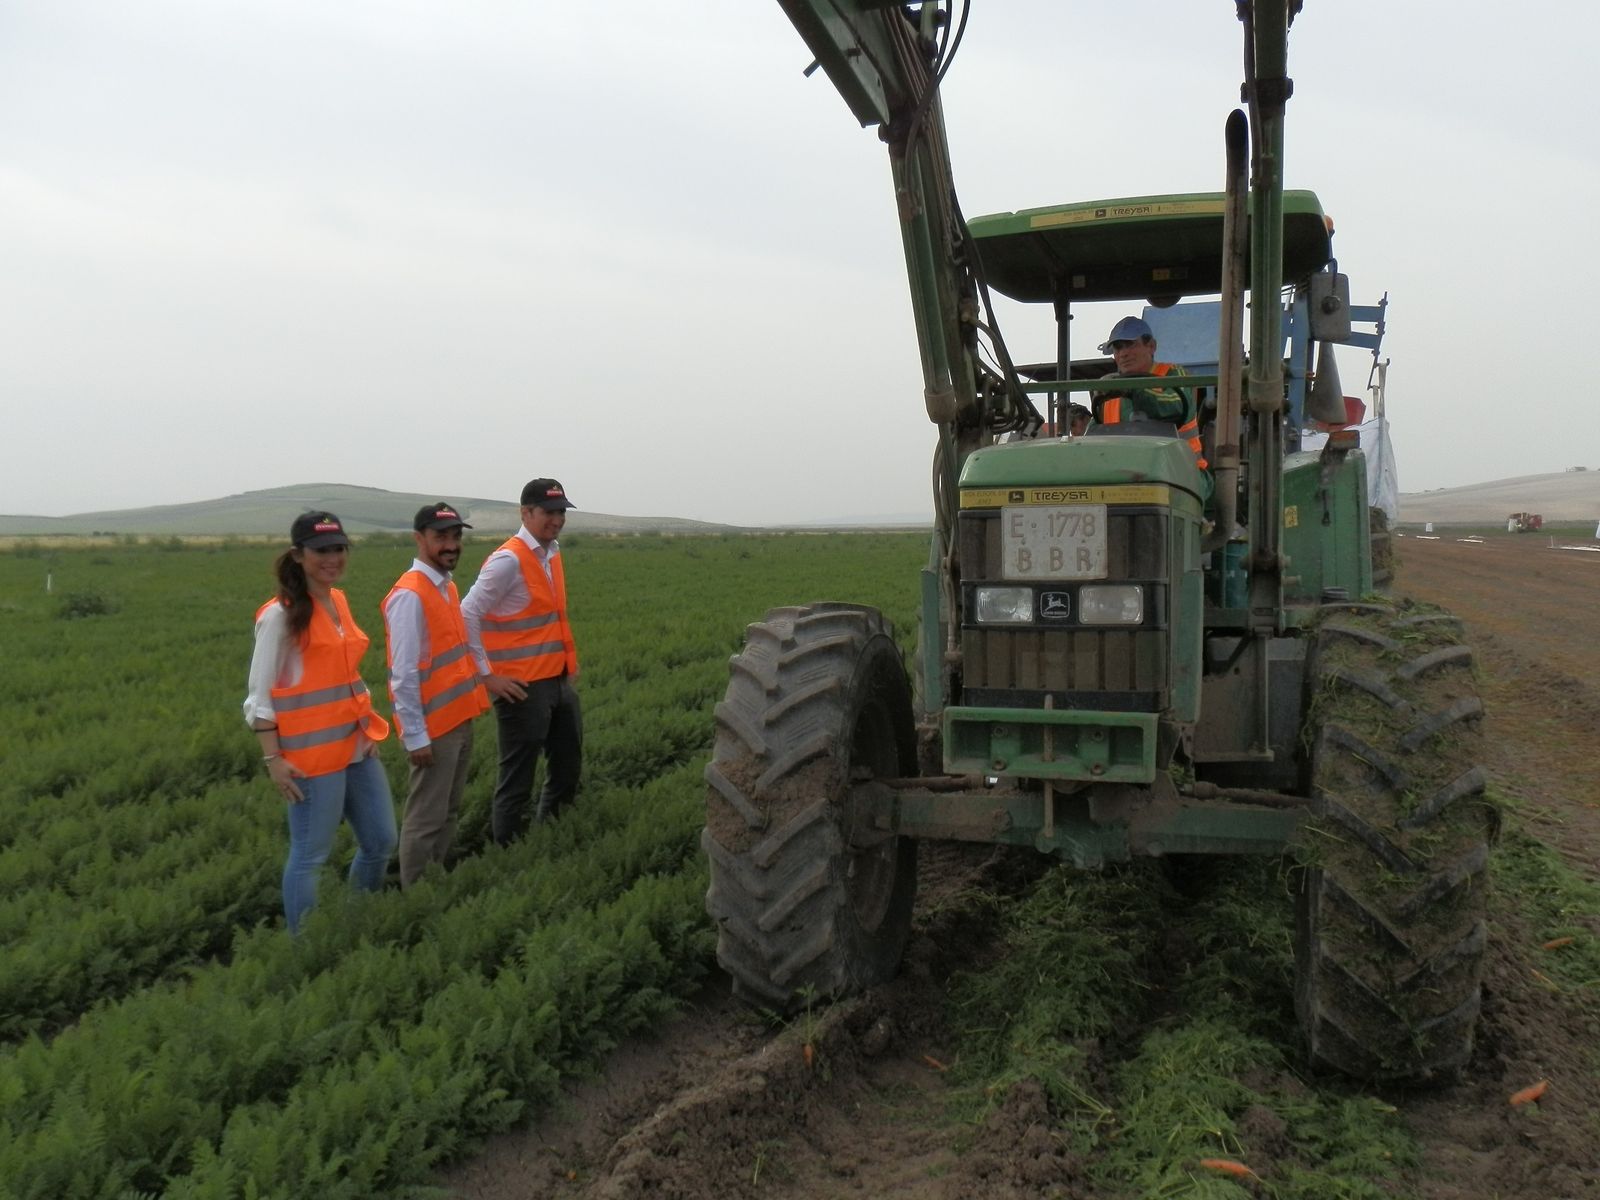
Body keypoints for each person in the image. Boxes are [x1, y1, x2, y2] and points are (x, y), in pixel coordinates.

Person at [244, 511, 397, 933]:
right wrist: (273, 759)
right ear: (298, 555)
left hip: (356, 748)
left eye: (338, 548)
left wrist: (365, 726)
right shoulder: (279, 615)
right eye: (321, 550)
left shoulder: (338, 601)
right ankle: (306, 945)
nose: (333, 558)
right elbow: (259, 697)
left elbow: (344, 675)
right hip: (309, 759)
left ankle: (356, 920)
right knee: (311, 855)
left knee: (381, 841)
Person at [462, 478, 582, 844]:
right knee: (517, 780)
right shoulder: (508, 560)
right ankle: (509, 857)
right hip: (521, 689)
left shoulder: (552, 553)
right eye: (548, 512)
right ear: (525, 513)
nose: (556, 519)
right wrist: (487, 676)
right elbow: (465, 614)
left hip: (558, 682)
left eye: (561, 512)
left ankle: (550, 839)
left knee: (567, 769)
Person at [382, 503, 491, 886]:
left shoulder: (445, 587)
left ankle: (435, 880)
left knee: (448, 811)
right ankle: (416, 894)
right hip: (434, 728)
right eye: (440, 537)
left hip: (458, 719)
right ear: (419, 539)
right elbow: (403, 674)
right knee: (425, 818)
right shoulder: (410, 595)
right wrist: (414, 734)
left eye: (456, 537)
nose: (450, 545)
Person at [1092, 316, 1208, 469]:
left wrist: (1133, 389)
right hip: (1123, 473)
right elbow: (1093, 435)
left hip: (1182, 471)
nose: (1123, 353)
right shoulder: (1108, 393)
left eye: (1130, 345)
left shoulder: (1173, 374)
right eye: (1118, 348)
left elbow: (1174, 407)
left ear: (1151, 346)